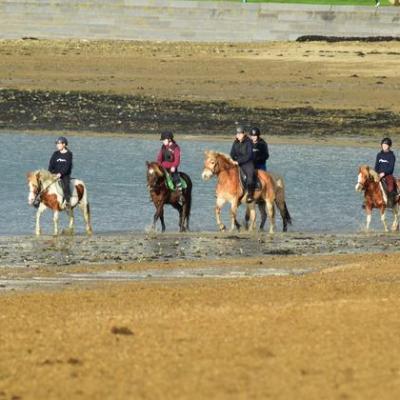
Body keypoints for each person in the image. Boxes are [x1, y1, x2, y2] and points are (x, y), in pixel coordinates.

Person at [230, 125, 256, 203]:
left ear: (244, 133)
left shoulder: (249, 142)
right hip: (236, 163)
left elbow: (249, 155)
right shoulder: (235, 142)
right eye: (237, 134)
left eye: (240, 133)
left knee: (250, 176)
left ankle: (250, 195)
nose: (238, 135)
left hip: (247, 163)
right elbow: (232, 153)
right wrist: (232, 160)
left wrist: (238, 161)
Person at [157, 130, 183, 202]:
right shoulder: (163, 147)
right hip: (163, 168)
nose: (163, 141)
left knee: (176, 178)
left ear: (169, 139)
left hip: (172, 169)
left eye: (164, 140)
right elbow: (159, 158)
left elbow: (177, 159)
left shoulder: (176, 148)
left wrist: (174, 167)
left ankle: (181, 195)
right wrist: (159, 165)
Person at [48, 136, 73, 209]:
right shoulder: (55, 153)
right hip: (54, 174)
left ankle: (68, 202)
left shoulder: (69, 154)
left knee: (65, 186)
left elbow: (67, 167)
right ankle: (39, 199)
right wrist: (51, 173)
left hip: (64, 175)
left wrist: (60, 174)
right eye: (57, 144)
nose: (57, 145)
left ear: (64, 144)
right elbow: (51, 165)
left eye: (59, 144)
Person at [375, 137, 397, 207]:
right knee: (368, 184)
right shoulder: (379, 155)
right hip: (378, 174)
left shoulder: (392, 156)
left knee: (390, 187)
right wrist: (376, 174)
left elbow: (391, 169)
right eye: (383, 145)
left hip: (388, 175)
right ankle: (367, 201)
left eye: (386, 145)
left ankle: (390, 203)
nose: (384, 146)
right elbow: (376, 166)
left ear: (389, 146)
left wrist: (383, 173)